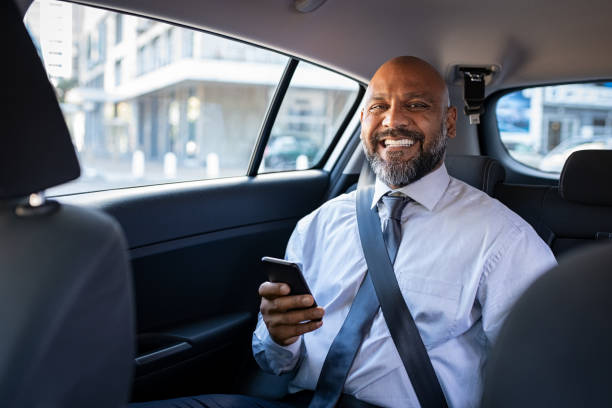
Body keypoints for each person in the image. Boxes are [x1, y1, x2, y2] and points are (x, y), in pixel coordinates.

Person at [132, 56, 556, 408]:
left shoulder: (503, 240)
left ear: (448, 123)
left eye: (416, 105)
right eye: (378, 107)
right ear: (362, 120)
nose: (393, 120)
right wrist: (280, 336)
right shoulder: (319, 224)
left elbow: (540, 376)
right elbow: (274, 362)